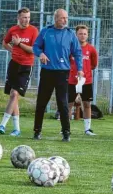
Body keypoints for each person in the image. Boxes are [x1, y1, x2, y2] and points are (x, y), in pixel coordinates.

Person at [32, 9, 83, 142]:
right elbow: (36, 47)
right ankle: (37, 131)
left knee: (63, 103)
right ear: (55, 19)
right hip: (47, 72)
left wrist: (80, 69)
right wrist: (41, 54)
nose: (65, 20)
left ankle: (66, 132)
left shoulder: (70, 34)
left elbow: (77, 52)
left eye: (66, 18)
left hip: (62, 72)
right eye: (62, 18)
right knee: (42, 102)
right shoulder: (46, 31)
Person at [0, 7, 39, 137]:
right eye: (24, 17)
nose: (26, 20)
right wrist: (13, 50)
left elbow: (34, 50)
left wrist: (19, 44)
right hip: (14, 65)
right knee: (13, 96)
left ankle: (2, 124)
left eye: (28, 17)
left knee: (15, 94)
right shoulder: (13, 30)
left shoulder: (33, 31)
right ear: (18, 18)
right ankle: (17, 129)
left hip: (26, 66)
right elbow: (4, 42)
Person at [67, 24, 98, 135]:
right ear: (76, 35)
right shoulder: (71, 48)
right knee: (69, 104)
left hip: (87, 81)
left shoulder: (91, 49)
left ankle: (87, 129)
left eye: (85, 34)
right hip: (72, 80)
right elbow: (67, 63)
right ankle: (66, 128)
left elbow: (94, 65)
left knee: (87, 104)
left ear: (88, 35)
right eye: (80, 33)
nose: (83, 36)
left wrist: (85, 73)